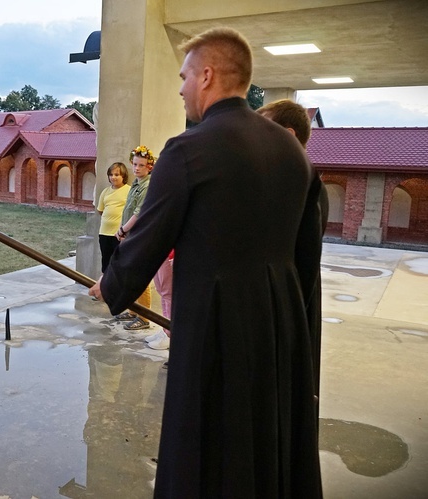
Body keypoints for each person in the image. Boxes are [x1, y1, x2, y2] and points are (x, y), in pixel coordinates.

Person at [89, 27, 323, 497]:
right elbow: (306, 256)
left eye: (183, 77)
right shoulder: (294, 155)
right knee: (265, 426)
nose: (178, 88)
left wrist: (111, 283)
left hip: (215, 319)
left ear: (207, 75)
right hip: (280, 321)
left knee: (207, 432)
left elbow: (152, 232)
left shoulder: (188, 148)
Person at [258, 98, 329, 413]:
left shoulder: (306, 183)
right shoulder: (284, 180)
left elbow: (305, 259)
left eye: (264, 130)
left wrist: (288, 322)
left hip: (292, 306)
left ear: (287, 135)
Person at [112, 145, 157, 331]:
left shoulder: (147, 186)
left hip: (137, 236)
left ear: (150, 167)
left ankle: (144, 317)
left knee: (140, 277)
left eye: (141, 165)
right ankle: (133, 309)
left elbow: (139, 213)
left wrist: (123, 230)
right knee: (130, 275)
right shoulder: (137, 184)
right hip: (128, 236)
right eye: (135, 164)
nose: (137, 168)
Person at [96, 162, 131, 272]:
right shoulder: (105, 191)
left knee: (119, 263)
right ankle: (105, 287)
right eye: (111, 175)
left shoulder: (129, 190)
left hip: (120, 234)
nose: (113, 177)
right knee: (106, 263)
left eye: (117, 175)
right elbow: (100, 210)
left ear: (123, 176)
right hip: (104, 233)